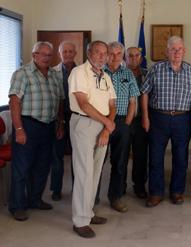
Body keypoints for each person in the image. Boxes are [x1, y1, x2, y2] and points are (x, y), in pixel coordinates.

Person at [8, 41, 65, 221]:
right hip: (28, 125)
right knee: (22, 168)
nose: (47, 58)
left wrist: (60, 123)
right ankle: (17, 206)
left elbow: (60, 101)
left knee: (42, 167)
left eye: (49, 55)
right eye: (43, 54)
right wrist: (18, 129)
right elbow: (14, 102)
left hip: (48, 126)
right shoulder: (22, 74)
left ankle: (35, 200)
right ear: (34, 55)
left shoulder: (55, 76)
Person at [141, 36, 191, 207]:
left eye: (179, 49)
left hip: (183, 118)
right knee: (156, 157)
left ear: (184, 51)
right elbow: (144, 93)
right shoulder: (156, 69)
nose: (176, 52)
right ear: (167, 51)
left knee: (181, 157)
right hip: (158, 118)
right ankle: (156, 193)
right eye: (173, 49)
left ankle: (177, 191)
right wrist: (145, 116)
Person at [69, 40, 116, 238]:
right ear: (89, 53)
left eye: (104, 53)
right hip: (84, 124)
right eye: (97, 52)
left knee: (96, 172)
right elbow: (83, 103)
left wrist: (107, 127)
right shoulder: (79, 72)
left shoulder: (105, 76)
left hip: (102, 126)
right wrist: (107, 123)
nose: (101, 56)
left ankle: (88, 213)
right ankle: (80, 221)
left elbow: (113, 103)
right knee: (84, 173)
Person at [104, 42, 140, 212]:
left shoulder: (128, 74)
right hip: (101, 122)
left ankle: (115, 196)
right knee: (97, 161)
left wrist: (127, 124)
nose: (115, 56)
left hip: (122, 122)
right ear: (106, 54)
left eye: (119, 53)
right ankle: (92, 197)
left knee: (119, 162)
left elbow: (133, 101)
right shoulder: (98, 72)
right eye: (112, 53)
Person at [50, 41, 77, 201]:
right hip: (58, 119)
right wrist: (59, 122)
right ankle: (56, 189)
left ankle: (77, 188)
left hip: (77, 117)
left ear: (75, 53)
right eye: (64, 51)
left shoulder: (82, 71)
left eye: (70, 51)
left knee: (77, 156)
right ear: (59, 54)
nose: (67, 54)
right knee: (57, 156)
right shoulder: (53, 73)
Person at [126, 46, 149, 199]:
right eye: (131, 56)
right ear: (125, 58)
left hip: (141, 121)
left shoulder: (147, 74)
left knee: (141, 156)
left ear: (141, 58)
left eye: (137, 56)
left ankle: (139, 186)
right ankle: (119, 186)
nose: (134, 58)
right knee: (121, 156)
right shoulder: (119, 73)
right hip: (125, 120)